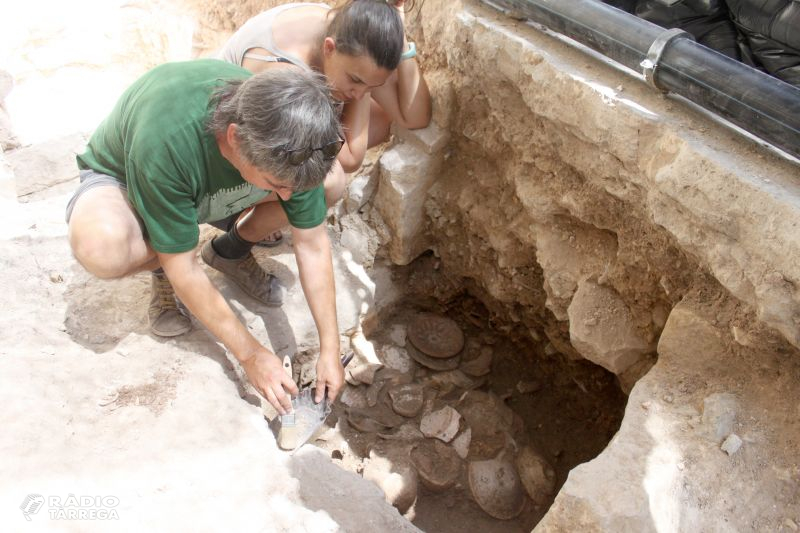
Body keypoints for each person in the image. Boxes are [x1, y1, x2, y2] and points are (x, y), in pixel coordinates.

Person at [66, 59, 346, 413]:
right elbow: (184, 266)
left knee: (329, 184)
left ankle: (230, 250)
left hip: (213, 190)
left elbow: (312, 244)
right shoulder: (167, 138)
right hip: (129, 180)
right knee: (101, 248)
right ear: (234, 139)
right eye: (278, 186)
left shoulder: (295, 141)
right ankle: (160, 256)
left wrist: (330, 349)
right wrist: (251, 355)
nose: (286, 199)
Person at [218, 0, 431, 245]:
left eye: (370, 86)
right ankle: (243, 226)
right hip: (231, 164)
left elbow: (415, 117)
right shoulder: (287, 69)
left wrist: (398, 35)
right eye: (355, 79)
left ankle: (265, 200)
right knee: (328, 182)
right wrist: (365, 90)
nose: (360, 93)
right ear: (329, 48)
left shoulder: (350, 32)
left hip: (276, 133)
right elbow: (351, 158)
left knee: (383, 116)